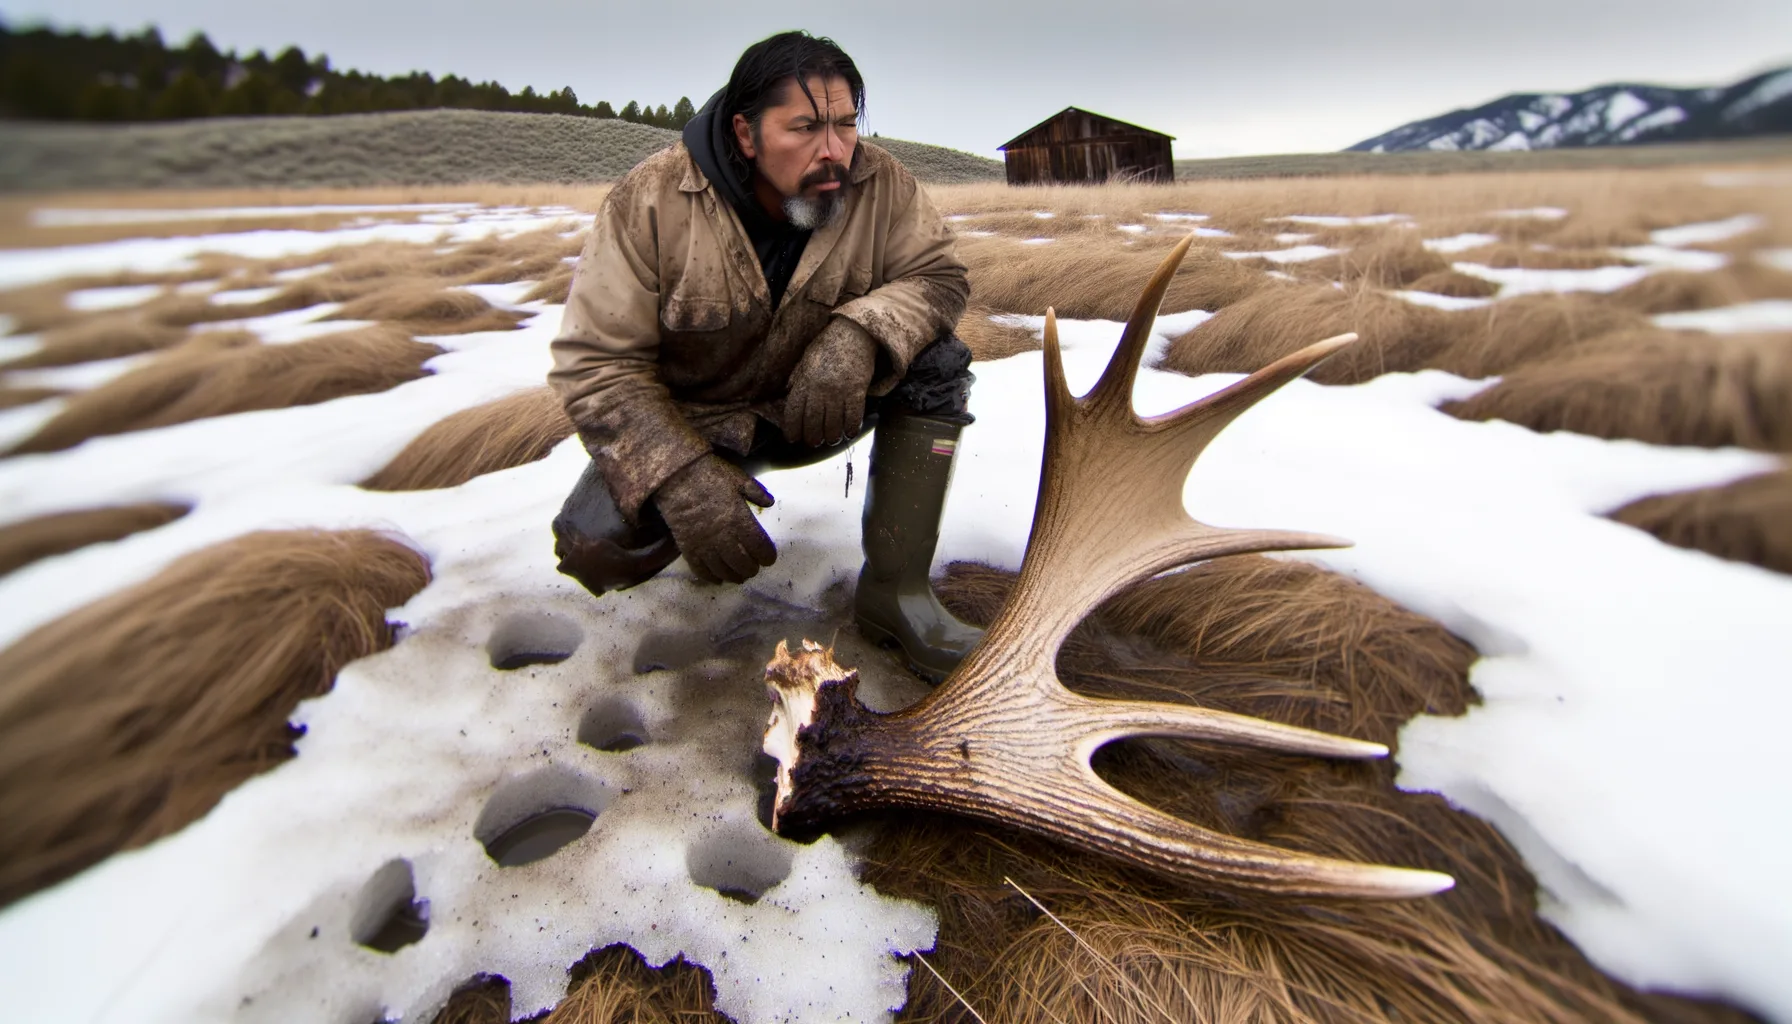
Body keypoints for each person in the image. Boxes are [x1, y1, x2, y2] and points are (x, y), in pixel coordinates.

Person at [547, 30, 983, 682]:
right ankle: (700, 506)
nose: (834, 149)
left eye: (844, 124)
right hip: (692, 426)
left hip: (813, 406)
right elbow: (596, 363)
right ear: (747, 135)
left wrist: (857, 336)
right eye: (805, 127)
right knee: (595, 546)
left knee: (938, 361)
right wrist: (679, 478)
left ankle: (897, 593)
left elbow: (938, 278)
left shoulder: (879, 179)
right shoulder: (651, 197)